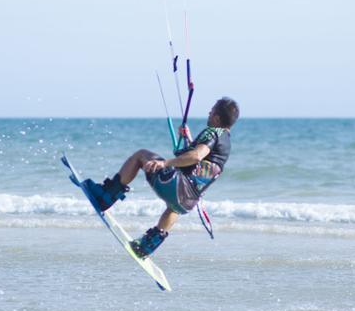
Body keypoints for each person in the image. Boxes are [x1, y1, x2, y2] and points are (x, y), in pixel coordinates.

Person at [83, 97, 239, 258]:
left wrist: (165, 163)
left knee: (141, 155)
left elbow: (197, 156)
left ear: (217, 118)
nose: (209, 112)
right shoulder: (226, 142)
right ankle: (146, 246)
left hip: (177, 186)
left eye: (212, 110)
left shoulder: (214, 132)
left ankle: (106, 196)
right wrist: (189, 139)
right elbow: (201, 162)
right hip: (188, 201)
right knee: (174, 208)